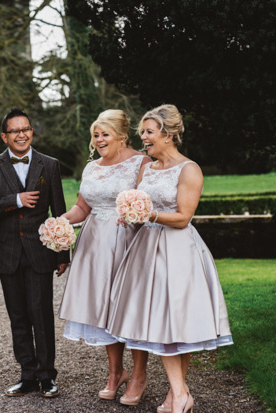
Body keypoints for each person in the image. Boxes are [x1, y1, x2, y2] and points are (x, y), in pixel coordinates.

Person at [107, 104, 233, 413]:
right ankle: (179, 394)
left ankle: (178, 395)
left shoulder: (189, 169)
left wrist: (148, 213)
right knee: (161, 322)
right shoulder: (147, 168)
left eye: (149, 132)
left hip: (177, 252)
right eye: (143, 132)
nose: (144, 138)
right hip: (145, 251)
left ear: (169, 134)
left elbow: (183, 217)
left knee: (176, 322)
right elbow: (140, 207)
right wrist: (130, 216)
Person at [58, 109, 151, 405]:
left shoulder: (142, 164)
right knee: (103, 308)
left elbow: (148, 205)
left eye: (105, 134)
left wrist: (133, 217)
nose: (99, 140)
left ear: (122, 136)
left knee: (130, 307)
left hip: (128, 241)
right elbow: (81, 208)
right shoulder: (91, 167)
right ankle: (115, 373)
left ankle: (138, 375)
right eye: (96, 135)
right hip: (94, 244)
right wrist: (61, 222)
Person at [0, 108, 69, 398]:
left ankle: (47, 376)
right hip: (8, 254)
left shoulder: (49, 164)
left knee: (41, 316)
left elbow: (59, 211)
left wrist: (62, 253)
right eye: (15, 130)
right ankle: (27, 374)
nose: (21, 134)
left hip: (40, 252)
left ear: (31, 131)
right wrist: (15, 200)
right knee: (17, 316)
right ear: (4, 136)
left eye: (26, 129)